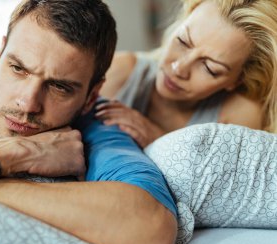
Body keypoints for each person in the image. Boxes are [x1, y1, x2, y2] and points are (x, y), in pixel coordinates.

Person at [0, 0, 178, 244]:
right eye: (18, 69)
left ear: (90, 96)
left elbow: (150, 230)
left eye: (59, 87)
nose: (27, 103)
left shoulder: (97, 126)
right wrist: (20, 152)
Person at [97, 0, 277, 148]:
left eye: (209, 68)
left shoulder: (238, 115)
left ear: (237, 80)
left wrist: (157, 139)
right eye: (182, 41)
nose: (179, 68)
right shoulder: (119, 71)